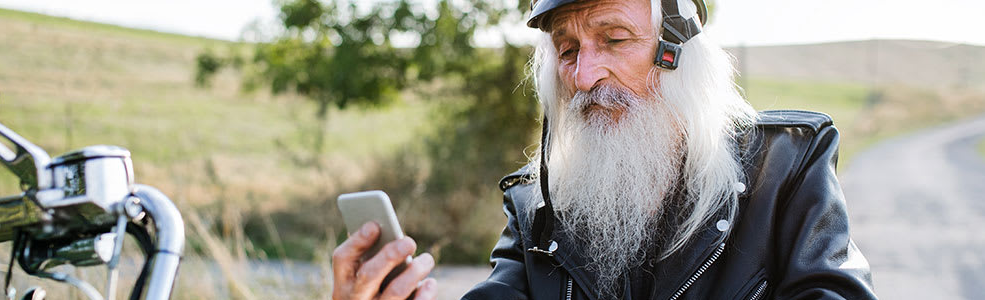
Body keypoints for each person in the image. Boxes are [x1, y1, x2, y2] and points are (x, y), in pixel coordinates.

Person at [331, 0, 878, 298]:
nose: (586, 74)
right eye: (567, 49)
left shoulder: (785, 166)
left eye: (614, 39)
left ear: (676, 48)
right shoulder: (536, 205)